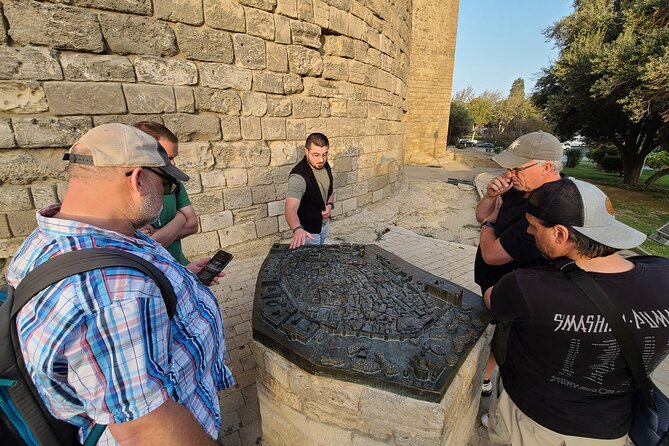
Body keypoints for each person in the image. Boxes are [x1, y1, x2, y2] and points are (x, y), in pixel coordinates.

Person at [4, 123, 234, 446]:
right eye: (165, 184)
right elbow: (147, 429)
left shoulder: (68, 234)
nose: (167, 194)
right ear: (138, 179)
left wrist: (186, 280)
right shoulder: (110, 293)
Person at [484, 177, 669, 445]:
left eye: (534, 227)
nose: (529, 232)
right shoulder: (664, 275)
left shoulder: (528, 286)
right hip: (612, 430)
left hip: (532, 425)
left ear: (560, 234)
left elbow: (493, 299)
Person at [474, 131, 564, 400]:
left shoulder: (548, 209)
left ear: (546, 167)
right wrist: (491, 197)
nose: (510, 174)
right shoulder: (522, 188)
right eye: (509, 167)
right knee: (496, 333)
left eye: (517, 167)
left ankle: (492, 383)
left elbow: (492, 253)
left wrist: (489, 223)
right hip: (494, 282)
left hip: (517, 294)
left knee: (507, 342)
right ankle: (487, 375)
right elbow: (481, 212)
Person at [133, 121, 197, 266]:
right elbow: (144, 247)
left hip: (180, 266)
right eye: (168, 158)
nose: (173, 164)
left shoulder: (173, 183)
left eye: (174, 157)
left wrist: (158, 236)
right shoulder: (126, 194)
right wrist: (180, 219)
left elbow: (192, 225)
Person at [285, 132, 334, 249]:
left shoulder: (325, 165)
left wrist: (330, 204)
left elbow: (330, 191)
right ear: (306, 151)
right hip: (308, 232)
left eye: (325, 154)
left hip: (324, 225)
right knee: (311, 263)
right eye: (316, 155)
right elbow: (290, 208)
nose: (321, 159)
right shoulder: (298, 177)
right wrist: (297, 229)